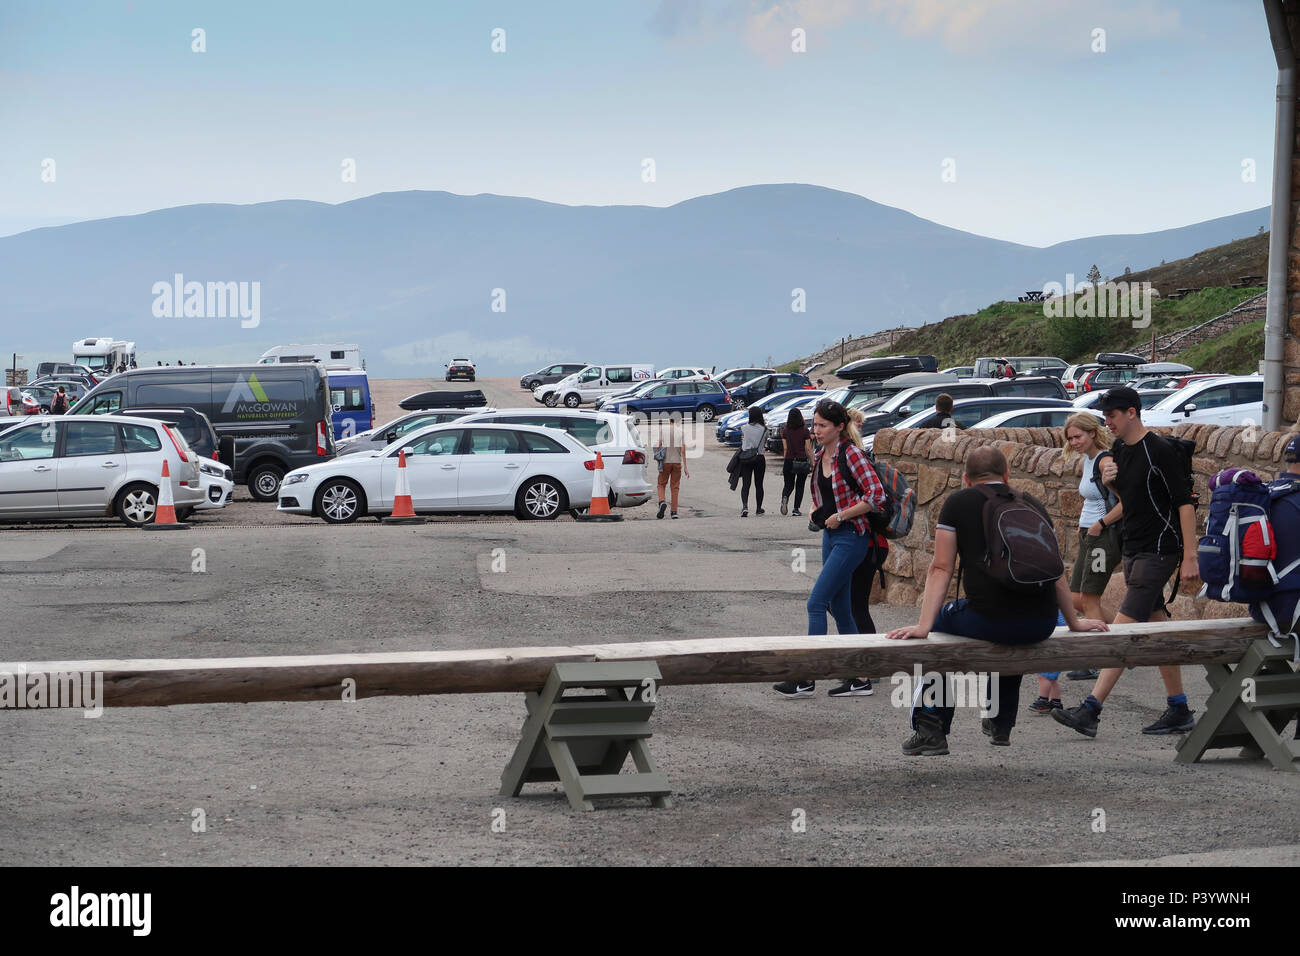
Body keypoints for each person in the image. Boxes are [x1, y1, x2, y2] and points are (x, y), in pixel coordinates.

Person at [887, 446, 1108, 752]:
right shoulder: (1031, 503)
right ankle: (1000, 722)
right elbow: (1055, 570)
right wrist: (1074, 622)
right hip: (1040, 623)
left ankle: (931, 729)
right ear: (1006, 476)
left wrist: (924, 625)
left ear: (967, 479)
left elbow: (941, 567)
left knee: (936, 632)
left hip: (989, 618)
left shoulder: (958, 503)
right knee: (1009, 633)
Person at [1053, 387, 1199, 738]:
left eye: (1112, 416)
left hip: (1159, 550)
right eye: (1105, 417)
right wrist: (1110, 485)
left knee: (1119, 631)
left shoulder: (1160, 450)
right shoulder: (1118, 450)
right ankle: (1178, 708)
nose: (1108, 422)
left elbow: (1183, 502)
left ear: (1132, 413)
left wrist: (1190, 556)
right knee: (1158, 628)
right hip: (1133, 548)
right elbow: (1130, 499)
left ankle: (1091, 708)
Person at [773, 399, 886, 699]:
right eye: (815, 424)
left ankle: (807, 677)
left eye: (822, 425)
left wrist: (841, 516)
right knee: (839, 606)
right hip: (831, 536)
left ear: (839, 427)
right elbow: (823, 495)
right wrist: (815, 510)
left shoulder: (852, 455)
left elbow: (876, 495)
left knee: (816, 603)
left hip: (852, 537)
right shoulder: (822, 455)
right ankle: (860, 677)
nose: (816, 430)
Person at [1033, 413, 1123, 709]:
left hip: (1101, 535)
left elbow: (1125, 502)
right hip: (1089, 533)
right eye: (1070, 438)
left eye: (1078, 436)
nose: (1074, 442)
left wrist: (1101, 524)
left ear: (1092, 433)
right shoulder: (1088, 459)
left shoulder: (1104, 461)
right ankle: (1125, 635)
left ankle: (1098, 658)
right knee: (1075, 596)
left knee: (1089, 596)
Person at [778, 407, 813, 516]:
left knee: (788, 484)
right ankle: (796, 509)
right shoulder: (805, 430)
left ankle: (785, 497)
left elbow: (785, 448)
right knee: (800, 485)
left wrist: (786, 458)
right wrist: (812, 461)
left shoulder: (785, 430)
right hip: (801, 460)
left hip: (789, 460)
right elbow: (808, 448)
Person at [736, 406, 769, 517]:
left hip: (746, 457)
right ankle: (759, 508)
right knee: (759, 484)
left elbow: (743, 442)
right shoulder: (764, 429)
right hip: (759, 457)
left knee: (746, 484)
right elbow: (764, 444)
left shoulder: (744, 428)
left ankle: (745, 506)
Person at [655, 415, 688, 519]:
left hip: (665, 461)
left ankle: (662, 501)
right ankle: (674, 512)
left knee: (661, 484)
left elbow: (659, 445)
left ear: (669, 421)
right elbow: (683, 450)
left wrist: (657, 455)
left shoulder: (663, 429)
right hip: (677, 462)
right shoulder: (681, 432)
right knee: (675, 487)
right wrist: (686, 467)